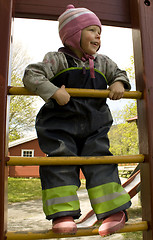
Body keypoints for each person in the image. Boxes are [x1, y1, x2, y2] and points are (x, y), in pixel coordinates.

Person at [22, 4, 131, 236]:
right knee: (60, 164)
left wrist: (118, 83)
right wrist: (52, 91)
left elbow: (120, 73)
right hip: (60, 126)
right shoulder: (57, 60)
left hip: (95, 125)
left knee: (100, 162)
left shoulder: (103, 62)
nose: (98, 35)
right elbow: (31, 74)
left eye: (99, 31)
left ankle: (113, 211)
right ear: (73, 34)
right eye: (91, 30)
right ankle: (63, 214)